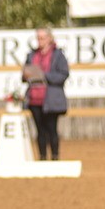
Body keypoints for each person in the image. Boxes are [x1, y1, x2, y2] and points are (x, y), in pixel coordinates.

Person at [22, 26, 69, 160]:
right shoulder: (32, 55)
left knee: (52, 130)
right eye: (38, 38)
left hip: (51, 99)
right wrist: (27, 74)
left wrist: (44, 76)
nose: (40, 41)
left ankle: (55, 157)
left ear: (49, 38)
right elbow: (25, 73)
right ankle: (42, 157)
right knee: (39, 131)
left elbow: (63, 74)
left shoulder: (58, 55)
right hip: (34, 99)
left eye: (42, 38)